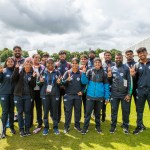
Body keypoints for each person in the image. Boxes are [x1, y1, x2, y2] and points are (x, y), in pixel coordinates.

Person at [81, 58, 110, 135]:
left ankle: (98, 127)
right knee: (87, 113)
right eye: (96, 62)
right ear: (94, 64)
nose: (97, 64)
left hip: (99, 97)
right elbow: (84, 82)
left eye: (98, 63)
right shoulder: (89, 71)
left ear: (101, 64)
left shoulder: (104, 73)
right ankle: (85, 127)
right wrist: (83, 73)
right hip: (90, 96)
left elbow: (106, 86)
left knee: (97, 114)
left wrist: (107, 97)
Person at [108, 53, 132, 134]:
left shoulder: (126, 68)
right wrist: (109, 76)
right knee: (114, 111)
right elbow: (109, 82)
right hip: (114, 94)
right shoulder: (112, 68)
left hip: (124, 94)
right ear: (115, 59)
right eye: (117, 58)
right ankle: (113, 126)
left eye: (119, 58)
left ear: (122, 59)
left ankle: (125, 127)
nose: (118, 59)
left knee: (125, 111)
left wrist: (129, 94)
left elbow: (129, 81)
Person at [12, 57, 36, 137]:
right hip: (18, 95)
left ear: (32, 64)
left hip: (28, 96)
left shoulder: (33, 72)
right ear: (24, 63)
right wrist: (16, 69)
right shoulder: (19, 70)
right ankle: (21, 129)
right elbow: (13, 79)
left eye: (30, 62)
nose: (28, 63)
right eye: (27, 62)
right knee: (20, 112)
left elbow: (33, 85)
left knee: (28, 112)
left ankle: (27, 129)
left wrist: (33, 77)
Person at [39, 58, 61, 135]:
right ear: (46, 64)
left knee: (55, 112)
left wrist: (59, 83)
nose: (50, 64)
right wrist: (40, 82)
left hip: (55, 95)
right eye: (49, 63)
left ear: (54, 64)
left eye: (52, 63)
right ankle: (46, 127)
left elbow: (60, 84)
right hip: (45, 95)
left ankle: (55, 127)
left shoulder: (57, 72)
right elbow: (38, 83)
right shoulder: (42, 72)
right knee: (45, 112)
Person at [62, 58, 84, 133]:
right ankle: (66, 127)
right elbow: (62, 83)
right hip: (69, 95)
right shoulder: (67, 72)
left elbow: (85, 85)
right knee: (68, 111)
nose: (74, 65)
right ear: (71, 64)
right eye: (73, 63)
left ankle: (77, 126)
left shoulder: (81, 73)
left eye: (76, 63)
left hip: (78, 96)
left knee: (78, 111)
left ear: (78, 64)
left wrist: (82, 91)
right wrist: (66, 80)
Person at [133, 47, 150, 134]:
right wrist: (133, 75)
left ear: (146, 53)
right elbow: (135, 80)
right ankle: (139, 126)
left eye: (143, 52)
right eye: (140, 53)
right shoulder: (136, 65)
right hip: (140, 91)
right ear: (138, 55)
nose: (142, 54)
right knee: (139, 110)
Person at [0, 58, 16, 138]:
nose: (10, 63)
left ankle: (12, 127)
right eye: (8, 61)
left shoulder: (15, 70)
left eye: (11, 61)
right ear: (6, 62)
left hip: (13, 94)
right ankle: (3, 130)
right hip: (4, 94)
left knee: (11, 111)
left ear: (14, 62)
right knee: (5, 112)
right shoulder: (3, 70)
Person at [55, 50, 71, 123]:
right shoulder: (56, 64)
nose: (62, 56)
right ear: (59, 56)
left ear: (65, 56)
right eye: (61, 55)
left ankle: (67, 119)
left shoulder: (69, 65)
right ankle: (58, 118)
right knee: (57, 104)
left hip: (66, 87)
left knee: (66, 104)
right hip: (57, 87)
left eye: (63, 54)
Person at [31, 54, 45, 133]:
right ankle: (30, 122)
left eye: (38, 58)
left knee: (39, 107)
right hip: (31, 90)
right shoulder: (30, 66)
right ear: (33, 58)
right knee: (30, 107)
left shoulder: (42, 67)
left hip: (39, 90)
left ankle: (40, 122)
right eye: (35, 57)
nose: (37, 59)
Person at [102, 51, 115, 122]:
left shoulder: (114, 64)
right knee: (104, 102)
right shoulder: (102, 64)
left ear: (111, 56)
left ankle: (113, 117)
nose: (107, 56)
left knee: (113, 103)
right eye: (106, 55)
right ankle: (103, 116)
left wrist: (111, 75)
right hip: (104, 86)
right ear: (104, 56)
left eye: (108, 55)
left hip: (113, 86)